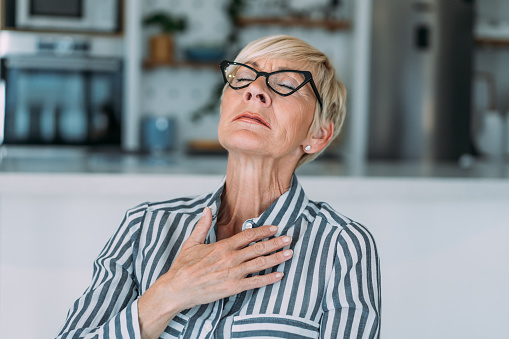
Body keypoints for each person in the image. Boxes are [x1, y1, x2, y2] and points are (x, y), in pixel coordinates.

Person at [56, 35, 381, 339]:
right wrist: (171, 292)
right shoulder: (144, 226)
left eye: (285, 84)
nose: (254, 91)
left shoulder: (343, 247)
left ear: (318, 135)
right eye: (241, 78)